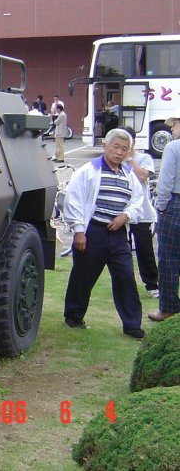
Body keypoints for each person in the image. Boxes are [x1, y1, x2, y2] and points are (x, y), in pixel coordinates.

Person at [62, 128, 145, 339]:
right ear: (105, 146)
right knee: (83, 276)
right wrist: (79, 231)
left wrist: (125, 216)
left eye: (124, 149)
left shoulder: (129, 175)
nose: (119, 152)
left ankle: (132, 324)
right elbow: (74, 202)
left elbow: (138, 201)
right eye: (115, 147)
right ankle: (73, 316)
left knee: (126, 277)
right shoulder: (88, 171)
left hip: (118, 235)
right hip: (94, 231)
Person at [122, 127, 160, 298]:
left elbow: (143, 176)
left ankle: (152, 285)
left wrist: (129, 159)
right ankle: (126, 285)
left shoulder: (144, 158)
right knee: (122, 251)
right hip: (121, 213)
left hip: (142, 213)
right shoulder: (114, 159)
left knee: (145, 251)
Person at [150, 110, 180, 322]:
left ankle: (168, 306)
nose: (171, 127)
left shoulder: (173, 147)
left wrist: (161, 208)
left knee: (168, 258)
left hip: (175, 204)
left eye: (175, 123)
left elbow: (165, 182)